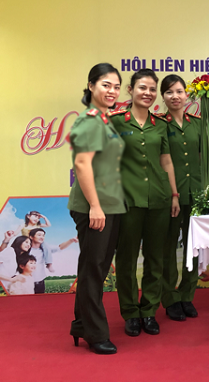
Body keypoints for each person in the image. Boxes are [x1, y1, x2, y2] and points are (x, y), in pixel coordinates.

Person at [111, 69, 180, 337]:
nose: (148, 93)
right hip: (127, 201)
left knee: (156, 258)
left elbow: (166, 161)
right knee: (126, 259)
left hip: (159, 199)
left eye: (152, 89)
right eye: (142, 88)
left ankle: (149, 310)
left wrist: (174, 194)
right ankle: (130, 312)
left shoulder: (160, 124)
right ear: (130, 90)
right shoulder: (116, 122)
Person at [67, 62, 125, 354]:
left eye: (116, 86)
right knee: (93, 270)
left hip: (110, 205)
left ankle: (81, 324)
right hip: (95, 207)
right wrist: (95, 206)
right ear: (91, 86)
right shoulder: (89, 121)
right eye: (106, 85)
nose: (112, 91)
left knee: (96, 268)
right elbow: (82, 164)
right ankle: (95, 333)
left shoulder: (104, 119)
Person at [158, 74, 202, 321]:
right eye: (169, 92)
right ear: (163, 97)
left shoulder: (197, 124)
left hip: (196, 193)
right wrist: (172, 193)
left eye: (179, 91)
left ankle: (187, 295)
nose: (175, 96)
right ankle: (170, 298)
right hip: (170, 196)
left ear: (187, 95)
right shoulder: (158, 124)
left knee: (193, 248)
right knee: (168, 248)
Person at [28, 228, 78, 294]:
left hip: (40, 281)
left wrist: (71, 240)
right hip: (27, 281)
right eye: (39, 235)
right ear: (31, 237)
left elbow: (59, 247)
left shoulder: (45, 249)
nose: (42, 237)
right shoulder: (25, 249)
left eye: (43, 235)